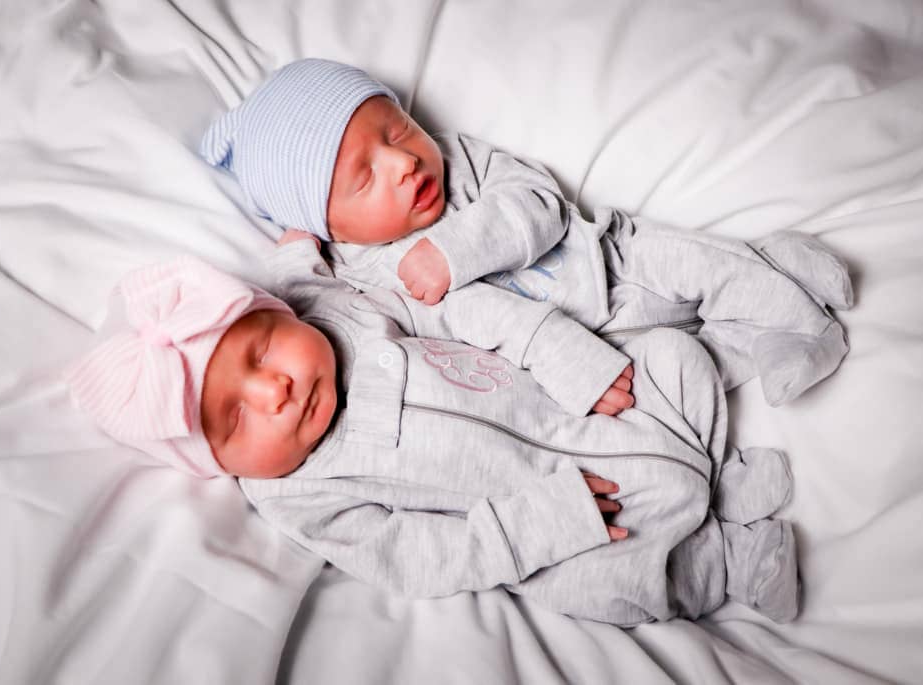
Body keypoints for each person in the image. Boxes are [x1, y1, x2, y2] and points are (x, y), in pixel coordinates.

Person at [66, 253, 799, 627]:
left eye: (261, 351)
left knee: (674, 361)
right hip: (554, 511)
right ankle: (724, 562)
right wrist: (531, 528)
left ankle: (719, 475)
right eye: (235, 418)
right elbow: (410, 556)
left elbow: (455, 310)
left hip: (572, 406)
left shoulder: (340, 310)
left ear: (278, 311)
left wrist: (556, 350)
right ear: (219, 464)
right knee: (609, 584)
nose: (275, 389)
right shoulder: (298, 494)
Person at [200, 58, 854, 407]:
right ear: (328, 225)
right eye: (365, 177)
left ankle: (805, 322)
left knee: (709, 270)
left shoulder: (460, 163)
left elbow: (539, 202)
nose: (403, 164)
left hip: (616, 260)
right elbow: (321, 313)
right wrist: (293, 256)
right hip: (595, 348)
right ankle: (779, 310)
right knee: (688, 372)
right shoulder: (365, 275)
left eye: (395, 131)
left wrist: (453, 250)